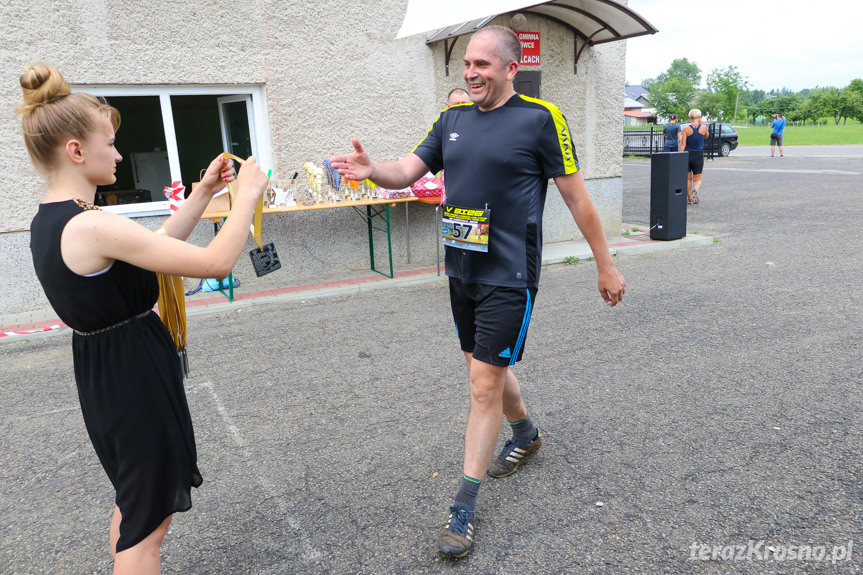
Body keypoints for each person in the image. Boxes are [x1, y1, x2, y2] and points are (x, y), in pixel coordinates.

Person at [330, 25, 625, 558]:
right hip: (461, 272)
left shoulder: (541, 119)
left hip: (510, 275)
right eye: (468, 64)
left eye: (484, 65)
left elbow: (579, 200)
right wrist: (374, 170)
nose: (471, 73)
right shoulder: (452, 120)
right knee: (485, 370)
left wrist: (605, 264)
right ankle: (527, 434)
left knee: (483, 384)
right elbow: (406, 172)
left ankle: (464, 507)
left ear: (512, 68)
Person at [18, 63, 268, 574]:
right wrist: (246, 198)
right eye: (109, 143)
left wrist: (201, 196)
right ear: (75, 151)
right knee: (146, 527)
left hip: (109, 372)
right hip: (132, 377)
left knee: (134, 503)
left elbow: (153, 250)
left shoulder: (52, 219)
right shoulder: (90, 225)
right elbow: (216, 263)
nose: (118, 154)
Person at [679, 108, 709, 205]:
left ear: (690, 117)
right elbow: (706, 136)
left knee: (688, 179)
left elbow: (683, 144)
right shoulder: (704, 128)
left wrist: (679, 155)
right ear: (699, 117)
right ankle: (695, 190)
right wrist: (701, 123)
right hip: (698, 155)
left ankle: (690, 198)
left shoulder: (686, 129)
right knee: (698, 179)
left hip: (687, 154)